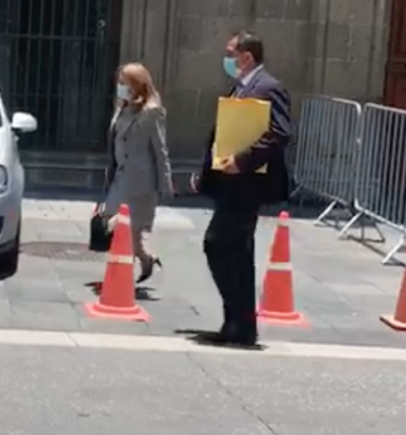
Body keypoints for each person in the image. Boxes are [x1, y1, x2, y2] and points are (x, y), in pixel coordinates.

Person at [190, 30, 292, 348]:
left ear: (247, 57)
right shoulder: (242, 87)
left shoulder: (269, 88)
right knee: (237, 253)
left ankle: (239, 322)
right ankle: (238, 326)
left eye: (231, 53)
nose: (228, 59)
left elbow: (280, 132)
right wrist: (208, 170)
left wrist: (243, 161)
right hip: (231, 183)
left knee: (217, 244)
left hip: (249, 184)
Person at [104, 62, 174, 284]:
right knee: (122, 228)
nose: (120, 86)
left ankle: (121, 275)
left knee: (123, 227)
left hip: (140, 181)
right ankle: (146, 259)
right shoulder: (122, 106)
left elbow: (160, 150)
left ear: (136, 84)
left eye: (124, 82)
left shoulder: (152, 111)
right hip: (120, 177)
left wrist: (166, 183)